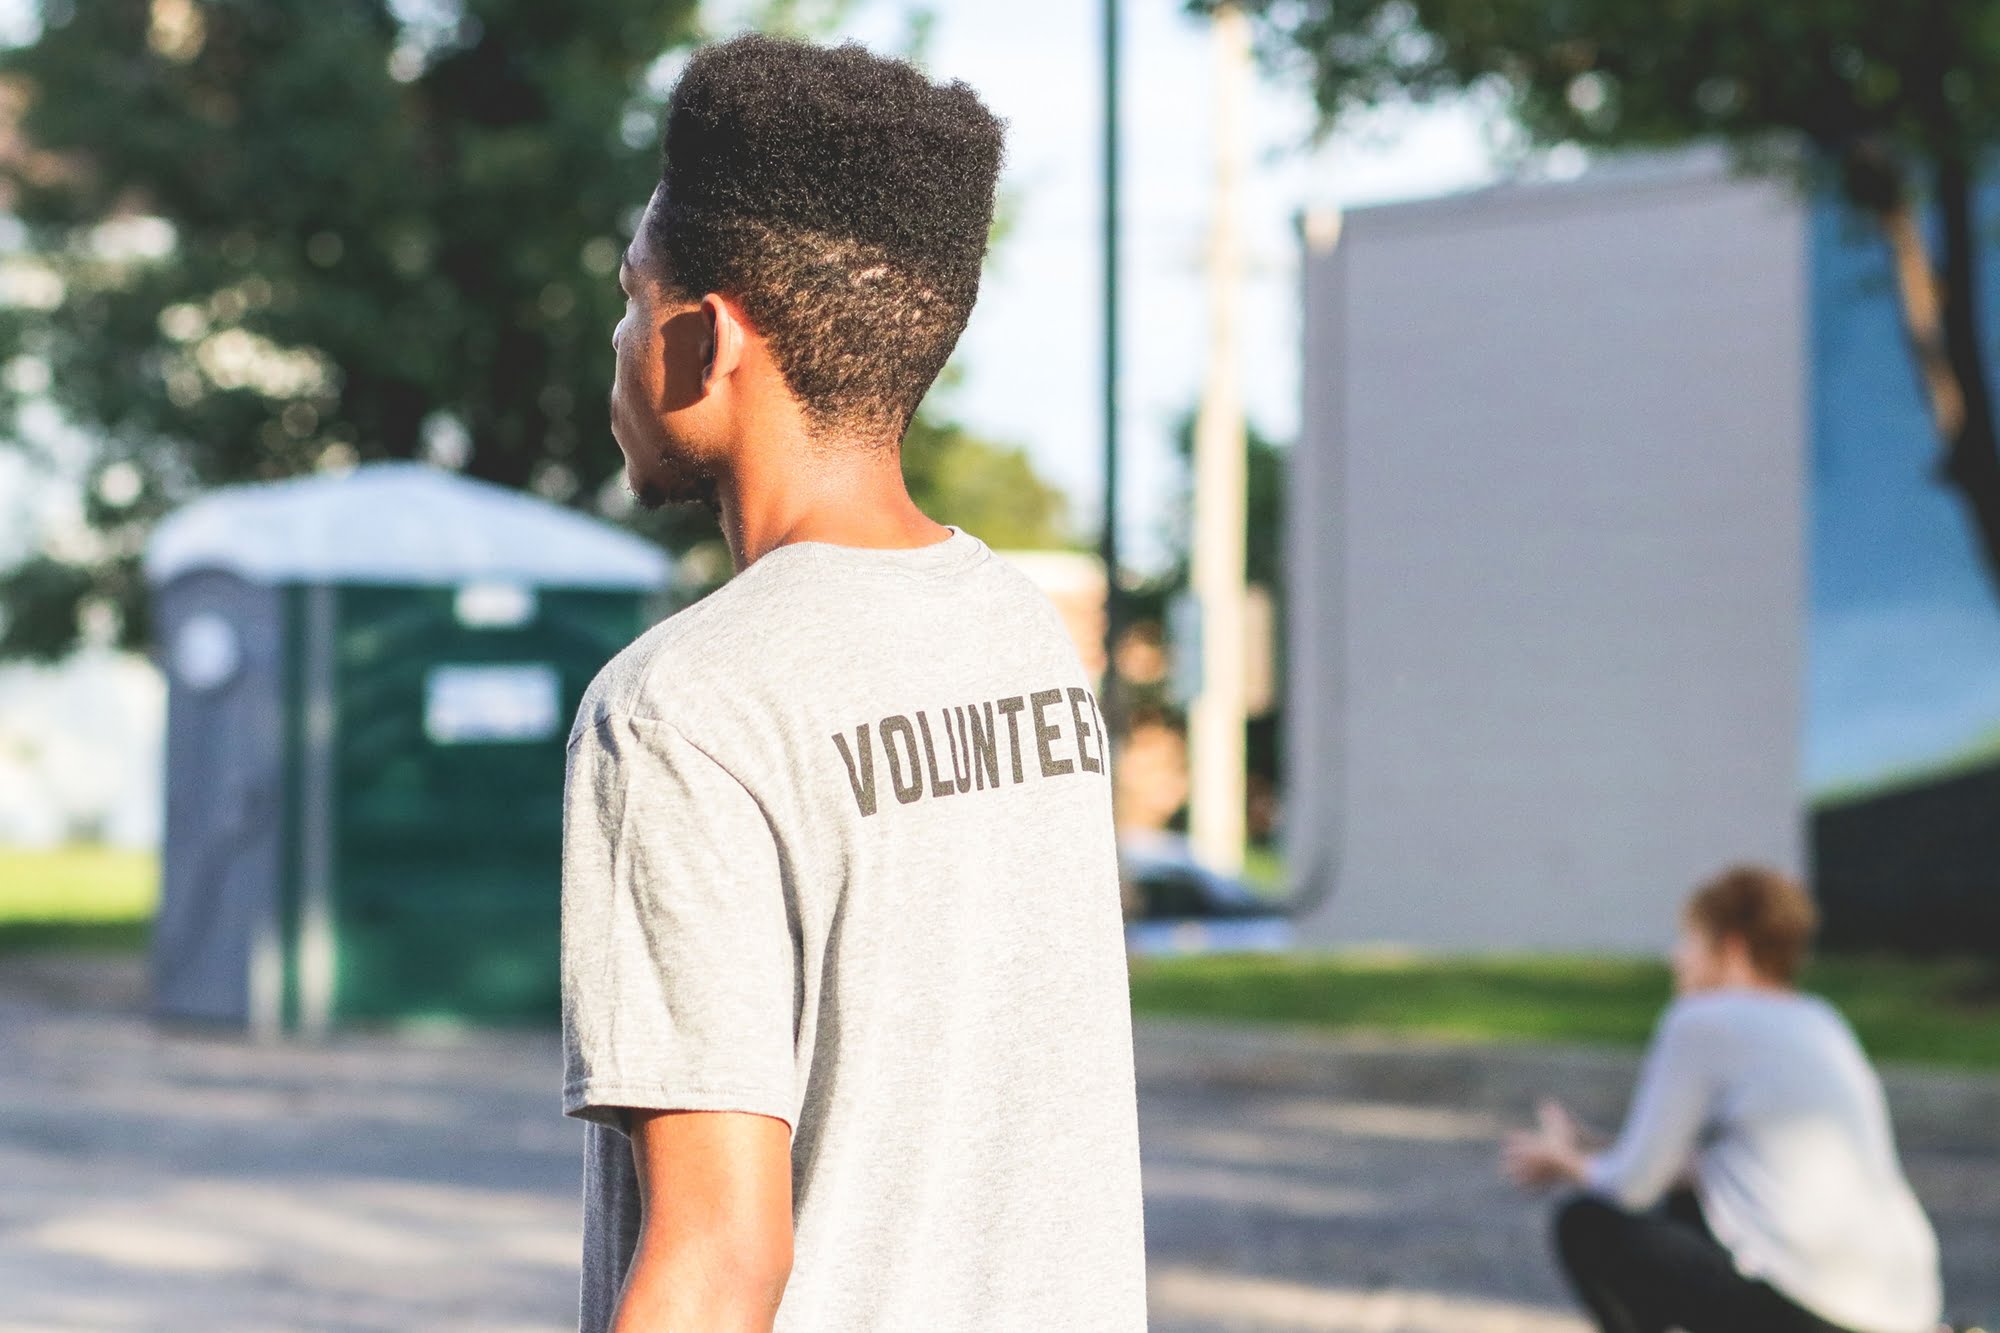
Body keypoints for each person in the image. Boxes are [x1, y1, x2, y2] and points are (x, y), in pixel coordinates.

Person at [559, 34, 1146, 1333]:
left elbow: (719, 1264)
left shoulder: (679, 709)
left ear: (703, 343)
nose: (614, 338)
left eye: (627, 295)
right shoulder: (1021, 635)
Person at [1502, 865, 1943, 1333]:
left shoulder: (1703, 1019)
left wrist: (1564, 1163)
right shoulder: (1820, 1018)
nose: (1676, 958)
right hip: (1903, 1309)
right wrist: (1590, 1146)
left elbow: (1633, 1187)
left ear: (1730, 948)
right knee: (1692, 1206)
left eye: (1688, 941)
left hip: (1818, 1314)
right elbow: (1717, 1170)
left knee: (1587, 1225)